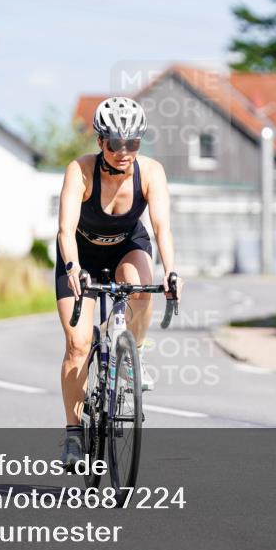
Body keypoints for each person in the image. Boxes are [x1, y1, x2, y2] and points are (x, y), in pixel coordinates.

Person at [55, 96, 182, 469]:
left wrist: (172, 272)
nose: (125, 152)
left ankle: (132, 353)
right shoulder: (79, 171)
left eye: (133, 143)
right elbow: (64, 230)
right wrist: (73, 267)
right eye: (116, 143)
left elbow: (162, 229)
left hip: (128, 246)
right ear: (100, 141)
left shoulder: (151, 172)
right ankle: (74, 434)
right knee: (77, 345)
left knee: (141, 289)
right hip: (80, 254)